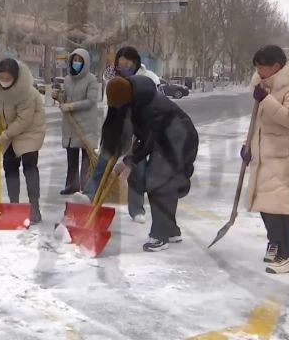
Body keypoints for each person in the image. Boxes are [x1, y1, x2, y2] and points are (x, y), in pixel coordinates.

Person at [103, 75, 198, 252]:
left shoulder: (150, 106)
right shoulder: (132, 99)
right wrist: (114, 150)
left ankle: (160, 236)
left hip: (179, 141)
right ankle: (170, 231)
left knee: (159, 184)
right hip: (165, 141)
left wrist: (130, 160)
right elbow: (124, 129)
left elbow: (149, 139)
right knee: (163, 184)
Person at [78, 46, 160, 224]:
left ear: (136, 62)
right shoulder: (113, 79)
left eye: (128, 63)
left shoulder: (149, 79)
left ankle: (137, 209)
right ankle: (90, 195)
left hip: (138, 132)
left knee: (137, 172)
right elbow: (109, 106)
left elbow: (153, 107)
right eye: (121, 64)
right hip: (115, 129)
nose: (124, 67)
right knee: (102, 166)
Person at [243, 45, 289, 274]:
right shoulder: (263, 84)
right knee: (267, 206)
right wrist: (248, 146)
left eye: (261, 67)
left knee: (278, 207)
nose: (258, 71)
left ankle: (287, 254)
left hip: (283, 156)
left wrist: (266, 99)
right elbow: (259, 123)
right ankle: (278, 246)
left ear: (276, 66)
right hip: (264, 155)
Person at [0, 59, 47, 225]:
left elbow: (24, 120)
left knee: (29, 167)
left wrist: (4, 135)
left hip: (30, 133)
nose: (4, 81)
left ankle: (34, 207)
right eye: (1, 77)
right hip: (10, 134)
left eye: (7, 78)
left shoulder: (27, 93)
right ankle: (13, 205)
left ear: (15, 77)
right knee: (10, 167)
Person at [58, 48, 100, 195]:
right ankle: (72, 185)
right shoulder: (68, 79)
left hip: (86, 125)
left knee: (87, 158)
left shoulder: (91, 80)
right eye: (74, 60)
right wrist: (59, 96)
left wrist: (71, 106)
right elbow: (66, 96)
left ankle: (87, 186)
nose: (76, 63)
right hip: (71, 126)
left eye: (79, 61)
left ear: (85, 63)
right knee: (72, 158)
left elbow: (91, 100)